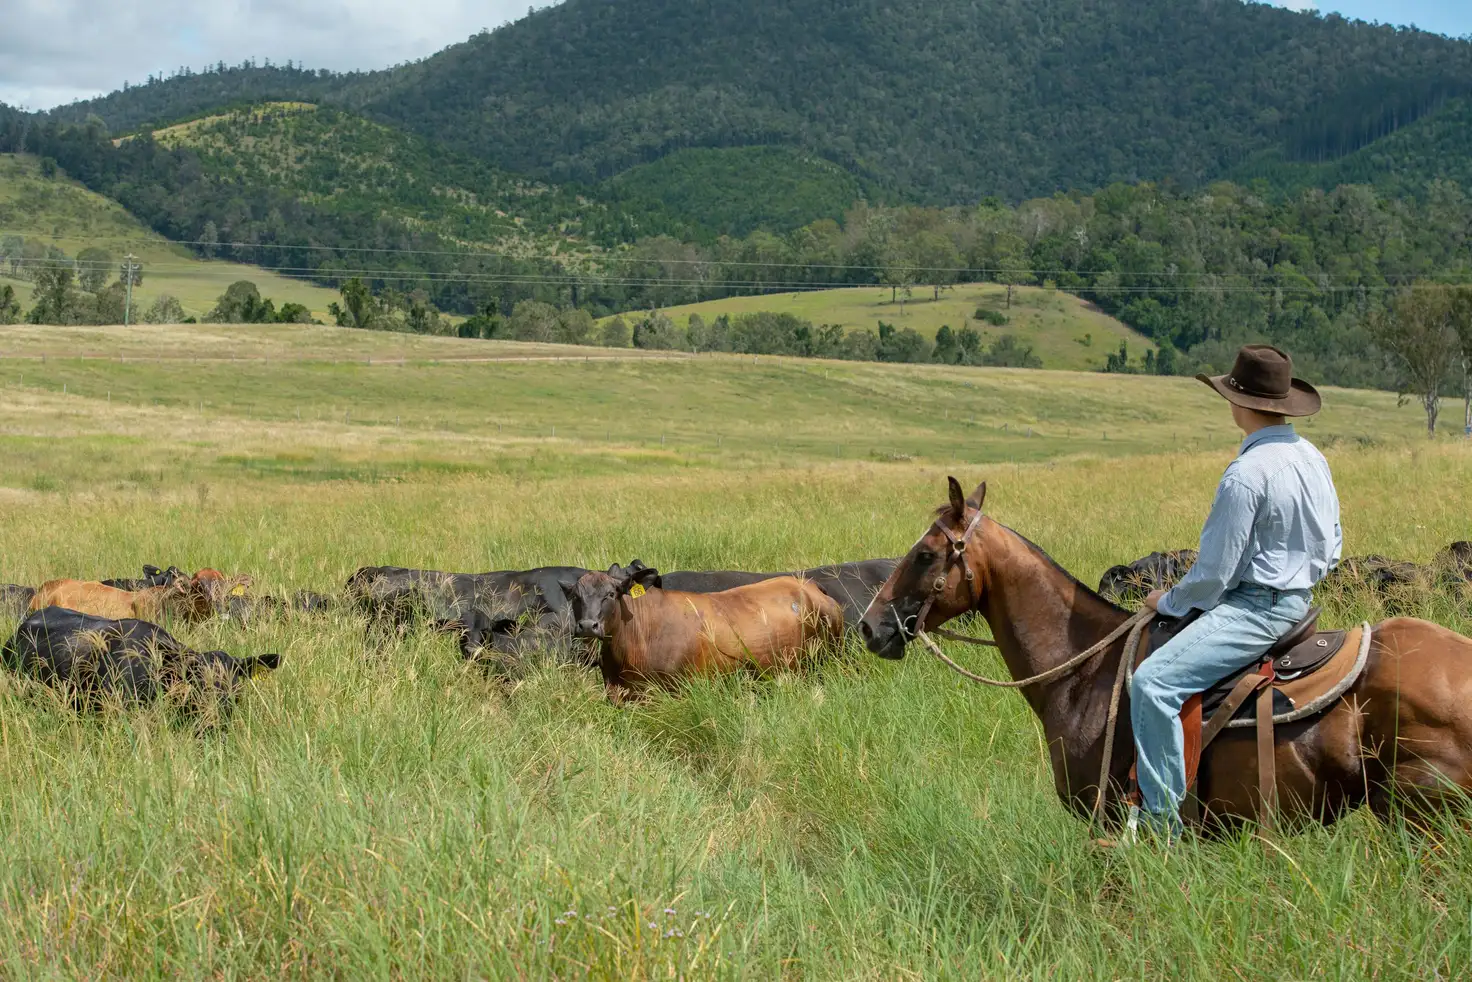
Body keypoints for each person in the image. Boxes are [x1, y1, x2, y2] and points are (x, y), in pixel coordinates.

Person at [1129, 344, 1342, 839]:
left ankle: (1162, 828)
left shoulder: (1245, 475)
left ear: (1239, 404)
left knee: (1153, 684)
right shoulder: (1312, 456)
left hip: (1255, 611)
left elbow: (1213, 575)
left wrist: (1169, 602)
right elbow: (1332, 548)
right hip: (1301, 604)